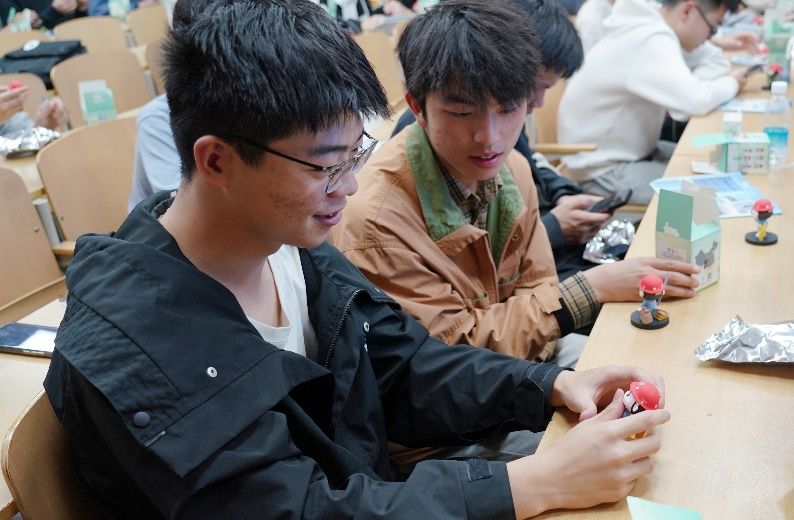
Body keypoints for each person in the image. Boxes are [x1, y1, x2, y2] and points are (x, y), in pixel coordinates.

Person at [44, 1, 672, 517]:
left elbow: (404, 367)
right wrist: (528, 485)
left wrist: (548, 385)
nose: (349, 185)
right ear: (216, 161)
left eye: (357, 155)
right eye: (326, 165)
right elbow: (300, 508)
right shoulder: (145, 341)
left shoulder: (287, 245)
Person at [332, 0, 700, 369]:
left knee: (665, 357)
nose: (489, 138)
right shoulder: (375, 222)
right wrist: (592, 289)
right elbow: (452, 355)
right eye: (461, 112)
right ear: (417, 108)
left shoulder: (514, 169)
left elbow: (539, 286)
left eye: (508, 109)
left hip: (529, 355)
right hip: (472, 387)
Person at [390, 0, 605, 282]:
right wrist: (554, 228)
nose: (489, 137)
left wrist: (563, 193)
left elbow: (531, 163)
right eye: (537, 87)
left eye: (509, 107)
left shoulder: (508, 134)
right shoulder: (433, 138)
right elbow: (474, 277)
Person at [558, 0, 746, 205]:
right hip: (602, 170)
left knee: (712, 168)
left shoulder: (652, 27)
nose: (710, 36)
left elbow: (709, 69)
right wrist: (732, 83)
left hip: (632, 153)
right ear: (687, 11)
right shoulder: (651, 37)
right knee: (710, 196)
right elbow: (696, 102)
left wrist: (695, 88)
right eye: (712, 27)